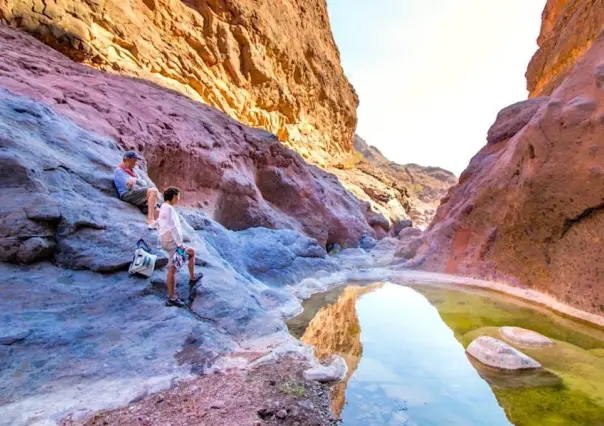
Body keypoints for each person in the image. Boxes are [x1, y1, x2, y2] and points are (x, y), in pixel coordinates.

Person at [158, 186, 203, 307]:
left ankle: (192, 277)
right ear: (173, 197)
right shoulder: (169, 209)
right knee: (172, 269)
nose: (178, 199)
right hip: (172, 241)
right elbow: (173, 228)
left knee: (191, 252)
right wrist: (180, 245)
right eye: (178, 196)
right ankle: (172, 298)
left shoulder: (163, 206)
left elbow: (160, 222)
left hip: (165, 240)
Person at [113, 151, 161, 228]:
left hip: (137, 194)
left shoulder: (133, 172)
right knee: (153, 191)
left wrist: (135, 181)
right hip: (126, 194)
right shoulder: (119, 170)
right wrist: (132, 183)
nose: (135, 163)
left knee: (158, 210)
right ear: (127, 159)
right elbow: (127, 186)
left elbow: (143, 183)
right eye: (133, 161)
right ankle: (150, 220)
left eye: (135, 161)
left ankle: (158, 227)